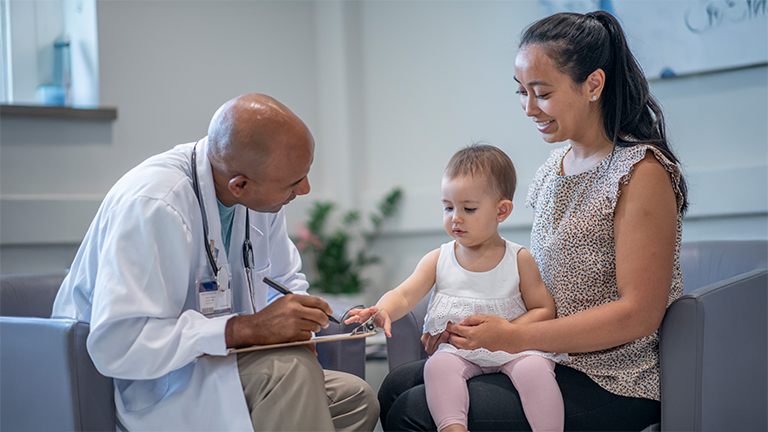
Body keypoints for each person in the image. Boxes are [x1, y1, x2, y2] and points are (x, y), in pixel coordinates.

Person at [379, 11, 688, 431]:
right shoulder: (553, 168)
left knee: (412, 410)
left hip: (614, 379)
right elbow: (533, 289)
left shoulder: (641, 172)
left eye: (540, 93)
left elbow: (638, 315)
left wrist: (514, 337)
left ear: (593, 84)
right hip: (544, 356)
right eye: (521, 92)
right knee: (395, 386)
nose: (528, 108)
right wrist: (468, 330)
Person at [51, 93, 379, 431]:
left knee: (355, 399)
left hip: (219, 364)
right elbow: (121, 343)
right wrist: (246, 330)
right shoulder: (154, 204)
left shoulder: (262, 199)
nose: (306, 189)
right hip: (147, 382)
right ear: (240, 184)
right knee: (289, 373)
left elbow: (285, 280)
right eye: (294, 183)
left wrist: (298, 324)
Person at [349, 144, 566, 432]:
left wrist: (510, 332)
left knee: (536, 369)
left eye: (468, 209)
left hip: (515, 351)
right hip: (459, 352)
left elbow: (543, 309)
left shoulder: (519, 259)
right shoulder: (438, 259)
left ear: (501, 211)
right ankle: (452, 428)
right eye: (448, 207)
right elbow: (404, 293)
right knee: (438, 366)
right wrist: (384, 308)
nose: (456, 218)